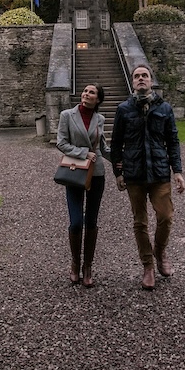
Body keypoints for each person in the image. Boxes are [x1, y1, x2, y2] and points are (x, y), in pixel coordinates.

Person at [110, 64, 185, 290]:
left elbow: (172, 141)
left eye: (145, 76)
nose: (141, 79)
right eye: (137, 76)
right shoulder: (124, 109)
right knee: (139, 222)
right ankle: (148, 266)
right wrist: (118, 172)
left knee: (166, 217)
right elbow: (115, 144)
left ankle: (160, 251)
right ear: (133, 82)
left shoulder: (165, 108)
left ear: (151, 81)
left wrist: (178, 172)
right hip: (134, 173)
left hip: (160, 171)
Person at [56, 83, 110, 288]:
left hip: (96, 174)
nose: (86, 94)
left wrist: (122, 163)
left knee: (92, 222)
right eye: (85, 91)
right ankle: (75, 263)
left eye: (92, 92)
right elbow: (61, 143)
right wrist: (83, 153)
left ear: (98, 99)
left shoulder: (100, 119)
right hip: (75, 171)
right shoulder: (67, 115)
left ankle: (88, 267)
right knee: (76, 221)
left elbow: (102, 147)